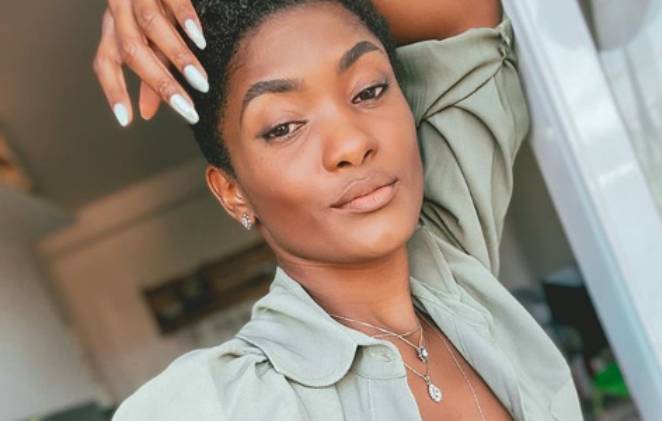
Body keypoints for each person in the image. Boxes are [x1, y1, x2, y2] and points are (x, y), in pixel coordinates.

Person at [93, 0, 584, 419]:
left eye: (369, 91)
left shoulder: (453, 261)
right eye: (284, 127)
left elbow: (463, 12)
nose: (351, 143)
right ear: (232, 191)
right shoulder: (231, 400)